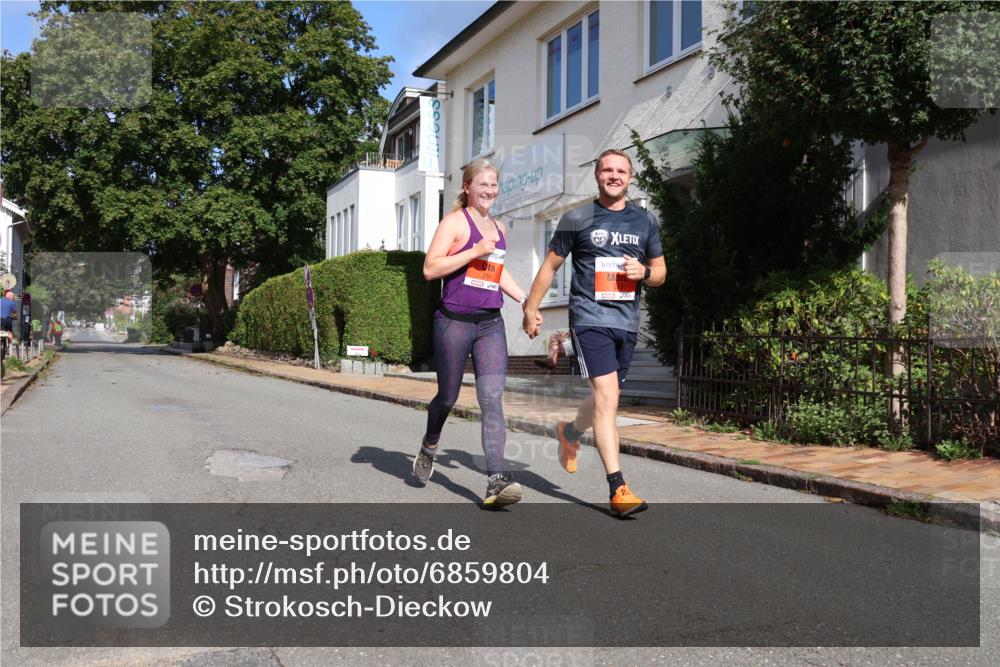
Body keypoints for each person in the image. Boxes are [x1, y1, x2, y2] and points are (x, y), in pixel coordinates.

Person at [522, 149, 667, 518]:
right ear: (597, 175)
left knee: (608, 397)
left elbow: (661, 273)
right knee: (607, 397)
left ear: (630, 178)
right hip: (589, 320)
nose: (614, 176)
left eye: (621, 171)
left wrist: (644, 274)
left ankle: (569, 433)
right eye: (607, 170)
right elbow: (550, 266)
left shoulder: (645, 221)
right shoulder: (577, 218)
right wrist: (530, 308)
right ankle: (618, 488)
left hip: (626, 322)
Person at [414, 158, 536, 507]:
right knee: (447, 397)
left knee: (491, 397)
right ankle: (430, 443)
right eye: (483, 184)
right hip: (454, 321)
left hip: (490, 324)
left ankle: (496, 480)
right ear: (467, 187)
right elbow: (430, 269)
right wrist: (473, 251)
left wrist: (526, 301)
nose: (489, 191)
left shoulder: (499, 228)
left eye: (494, 185)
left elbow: (497, 272)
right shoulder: (454, 222)